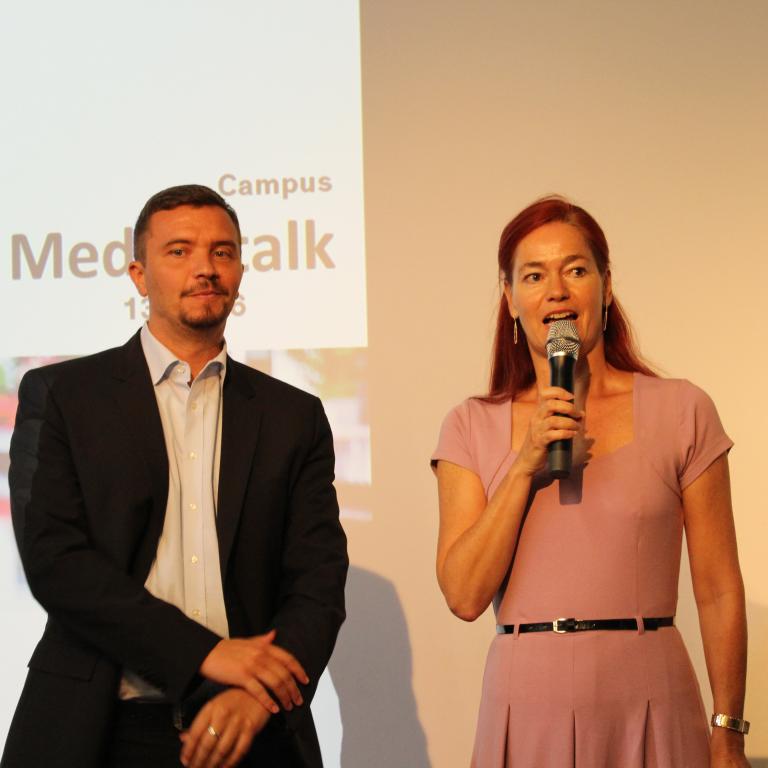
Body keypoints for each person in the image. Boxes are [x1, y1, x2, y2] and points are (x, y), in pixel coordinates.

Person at [3, 184, 348, 768]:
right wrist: (207, 655)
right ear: (139, 275)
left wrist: (256, 693)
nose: (205, 269)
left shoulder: (293, 415)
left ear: (240, 270)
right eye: (180, 251)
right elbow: (55, 562)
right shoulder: (64, 396)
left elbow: (318, 580)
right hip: (101, 730)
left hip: (250, 728)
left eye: (222, 251)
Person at [432, 196, 750, 767]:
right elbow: (463, 594)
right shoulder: (469, 425)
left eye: (576, 270)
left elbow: (719, 586)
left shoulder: (683, 409)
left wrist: (728, 730)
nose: (556, 290)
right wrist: (525, 463)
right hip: (525, 709)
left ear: (606, 286)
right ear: (509, 299)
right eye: (534, 275)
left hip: (651, 698)